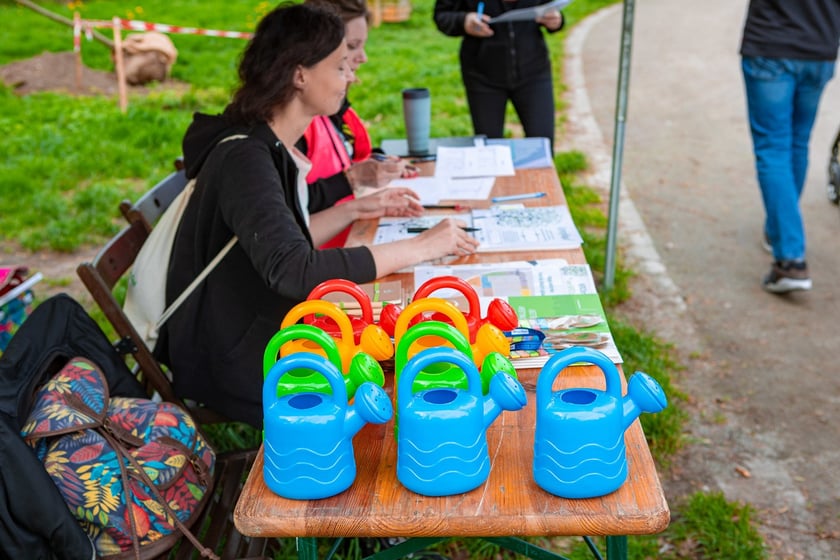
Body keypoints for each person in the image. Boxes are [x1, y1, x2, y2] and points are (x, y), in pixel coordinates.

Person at [155, 2, 479, 427]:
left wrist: (357, 208)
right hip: (238, 358)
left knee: (411, 345)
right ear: (299, 73)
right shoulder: (245, 158)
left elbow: (292, 240)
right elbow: (294, 269)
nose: (353, 76)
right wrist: (422, 246)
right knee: (409, 377)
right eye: (341, 66)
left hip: (260, 330)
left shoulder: (268, 146)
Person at [740, 0, 840, 293]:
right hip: (820, 48)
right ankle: (778, 231)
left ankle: (790, 261)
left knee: (774, 148)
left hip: (772, 44)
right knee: (796, 143)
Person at [299, 0, 414, 249]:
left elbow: (343, 152)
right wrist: (352, 180)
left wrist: (375, 163)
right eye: (351, 48)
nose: (361, 61)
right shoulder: (293, 126)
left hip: (346, 238)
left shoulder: (327, 108)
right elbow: (291, 208)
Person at [433, 0, 564, 151]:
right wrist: (464, 20)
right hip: (482, 75)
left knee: (542, 148)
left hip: (534, 70)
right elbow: (442, 15)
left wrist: (556, 20)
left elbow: (553, 8)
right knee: (488, 150)